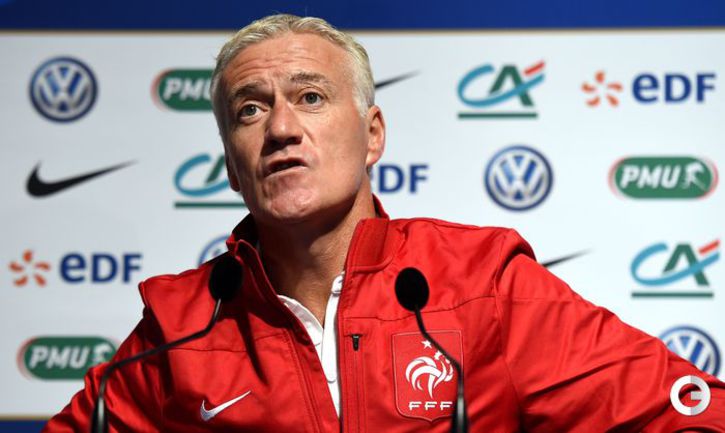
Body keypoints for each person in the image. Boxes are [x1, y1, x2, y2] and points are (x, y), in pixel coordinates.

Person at [44, 14, 724, 432]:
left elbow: (692, 413)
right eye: (250, 110)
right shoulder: (179, 327)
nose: (281, 128)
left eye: (311, 97)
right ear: (231, 165)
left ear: (372, 134)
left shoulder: (480, 284)